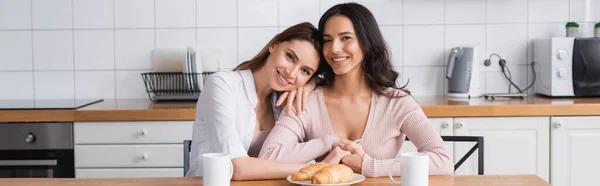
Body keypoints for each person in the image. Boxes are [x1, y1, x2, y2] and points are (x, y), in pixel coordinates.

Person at [258, 3, 453, 177]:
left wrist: (369, 166)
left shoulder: (396, 102)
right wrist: (329, 142)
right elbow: (268, 156)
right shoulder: (305, 99)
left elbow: (442, 161)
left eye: (346, 38)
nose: (334, 48)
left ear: (366, 42)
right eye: (327, 40)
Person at [186, 22, 328, 180]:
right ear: (273, 46)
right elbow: (238, 168)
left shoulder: (285, 100)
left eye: (305, 70)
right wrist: (316, 169)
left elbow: (331, 84)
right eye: (290, 57)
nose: (291, 73)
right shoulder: (222, 86)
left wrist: (310, 83)